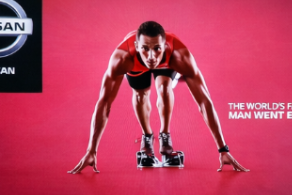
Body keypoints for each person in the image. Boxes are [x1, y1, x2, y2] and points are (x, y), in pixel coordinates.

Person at [70, 20, 248, 173]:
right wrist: (91, 150)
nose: (152, 56)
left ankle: (165, 136)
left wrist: (223, 150)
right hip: (135, 66)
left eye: (157, 49)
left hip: (168, 64)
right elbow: (104, 103)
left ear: (165, 46)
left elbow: (204, 102)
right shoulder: (122, 58)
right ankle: (147, 136)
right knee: (141, 94)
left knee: (163, 87)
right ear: (138, 47)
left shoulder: (180, 55)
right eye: (145, 49)